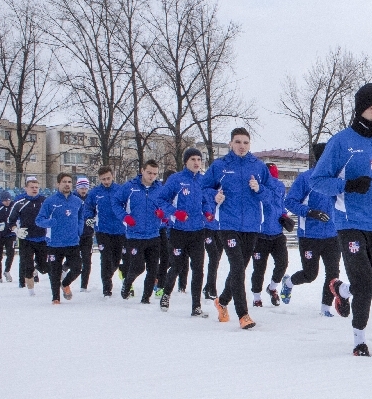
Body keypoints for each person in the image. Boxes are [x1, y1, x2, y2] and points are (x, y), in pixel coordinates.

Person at [311, 83, 372, 356]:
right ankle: (359, 340)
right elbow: (318, 181)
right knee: (366, 282)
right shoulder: (340, 142)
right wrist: (346, 185)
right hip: (349, 222)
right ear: (361, 110)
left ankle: (341, 289)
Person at [203, 127, 283, 329]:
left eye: (245, 142)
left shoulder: (258, 166)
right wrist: (214, 197)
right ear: (231, 144)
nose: (242, 146)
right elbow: (204, 188)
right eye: (238, 142)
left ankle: (221, 301)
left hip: (252, 225)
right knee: (237, 266)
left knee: (240, 268)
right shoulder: (220, 166)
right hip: (227, 224)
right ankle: (243, 314)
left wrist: (259, 189)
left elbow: (271, 195)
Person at [281, 143, 343, 317]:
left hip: (333, 235)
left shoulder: (337, 180)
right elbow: (289, 202)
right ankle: (289, 282)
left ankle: (325, 308)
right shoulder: (306, 178)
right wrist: (310, 212)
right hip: (309, 235)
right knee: (310, 274)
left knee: (333, 274)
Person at [155, 147, 213, 316]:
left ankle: (196, 306)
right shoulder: (176, 179)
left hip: (197, 231)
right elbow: (161, 200)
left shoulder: (202, 181)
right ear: (186, 162)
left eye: (199, 160)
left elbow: (205, 201)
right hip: (178, 231)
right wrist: (175, 213)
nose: (196, 163)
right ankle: (166, 294)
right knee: (178, 266)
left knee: (198, 268)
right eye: (193, 159)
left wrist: (208, 212)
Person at [112, 159, 171, 304]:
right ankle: (127, 283)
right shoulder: (130, 187)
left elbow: (167, 206)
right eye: (149, 172)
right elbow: (116, 202)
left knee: (153, 269)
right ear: (142, 171)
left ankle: (146, 298)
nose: (152, 176)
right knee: (138, 267)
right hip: (135, 234)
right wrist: (125, 217)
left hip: (154, 234)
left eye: (155, 174)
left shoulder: (160, 188)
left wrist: (163, 214)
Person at [35, 172, 86, 304]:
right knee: (54, 272)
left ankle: (65, 283)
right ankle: (56, 298)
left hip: (72, 242)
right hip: (55, 243)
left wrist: (79, 229)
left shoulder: (77, 201)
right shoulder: (50, 201)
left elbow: (81, 217)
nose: (67, 184)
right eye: (64, 182)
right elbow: (39, 220)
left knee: (77, 268)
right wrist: (50, 223)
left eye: (69, 182)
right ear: (58, 184)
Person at [250, 163, 292, 308]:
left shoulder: (280, 186)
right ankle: (256, 296)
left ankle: (272, 287)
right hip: (260, 235)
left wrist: (285, 216)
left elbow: (281, 205)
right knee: (259, 268)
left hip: (278, 233)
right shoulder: (257, 186)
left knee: (282, 263)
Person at [85, 166, 127, 297]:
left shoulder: (121, 190)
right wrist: (89, 218)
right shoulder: (95, 193)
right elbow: (88, 207)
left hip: (120, 230)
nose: (106, 181)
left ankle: (114, 271)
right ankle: (107, 288)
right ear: (99, 179)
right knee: (105, 258)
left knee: (116, 258)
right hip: (103, 230)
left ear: (112, 176)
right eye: (103, 179)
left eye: (108, 178)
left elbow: (129, 206)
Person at [7, 176, 48, 295]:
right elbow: (11, 221)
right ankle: (31, 292)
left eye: (36, 187)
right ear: (26, 188)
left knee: (43, 267)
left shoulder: (45, 201)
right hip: (26, 239)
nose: (34, 189)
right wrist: (16, 230)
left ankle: (37, 266)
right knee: (27, 265)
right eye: (32, 187)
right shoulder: (19, 203)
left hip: (42, 239)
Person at [74, 177, 94, 291]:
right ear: (77, 188)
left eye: (86, 187)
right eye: (81, 187)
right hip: (74, 235)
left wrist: (93, 220)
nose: (84, 190)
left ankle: (84, 285)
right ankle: (64, 269)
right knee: (74, 260)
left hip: (87, 235)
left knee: (87, 260)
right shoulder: (72, 198)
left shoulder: (90, 199)